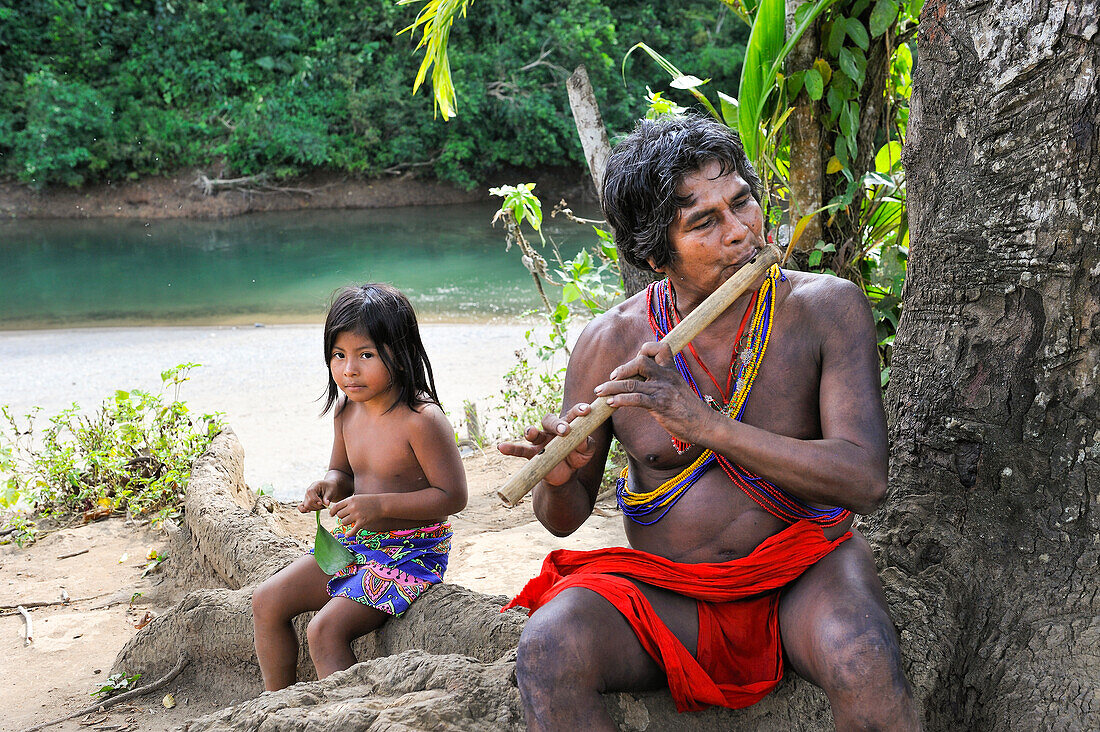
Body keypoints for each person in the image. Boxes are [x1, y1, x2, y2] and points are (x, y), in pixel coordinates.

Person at [499, 115, 920, 730]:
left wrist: (708, 426)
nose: (741, 233)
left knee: (862, 656)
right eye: (705, 222)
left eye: (742, 203)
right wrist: (561, 475)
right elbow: (561, 520)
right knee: (548, 646)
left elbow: (866, 481)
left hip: (805, 572)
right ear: (652, 252)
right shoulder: (608, 343)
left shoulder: (826, 309)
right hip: (672, 591)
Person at [251, 283, 467, 691]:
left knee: (324, 630)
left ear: (399, 355)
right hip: (357, 543)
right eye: (339, 355)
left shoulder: (421, 419)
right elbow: (342, 471)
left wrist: (379, 506)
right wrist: (328, 485)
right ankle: (274, 705)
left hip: (412, 551)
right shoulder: (346, 410)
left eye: (365, 355)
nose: (349, 369)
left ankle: (346, 715)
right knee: (266, 600)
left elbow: (453, 497)